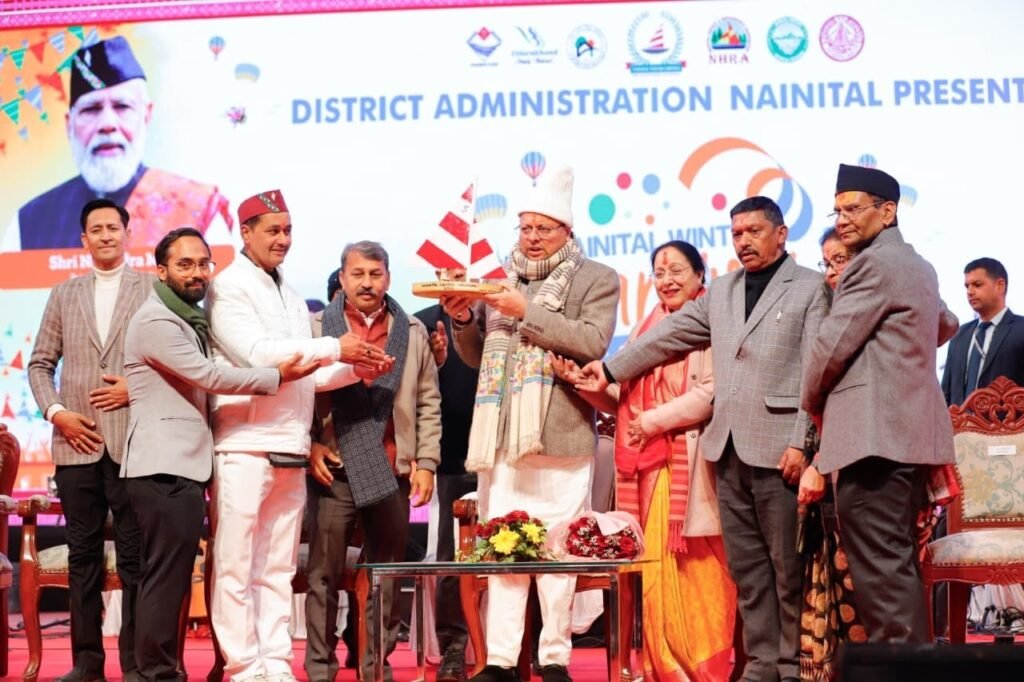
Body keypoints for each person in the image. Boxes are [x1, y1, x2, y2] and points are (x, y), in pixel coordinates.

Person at [579, 196, 828, 682]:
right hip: (726, 451)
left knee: (786, 569)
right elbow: (666, 337)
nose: (744, 241)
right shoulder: (724, 291)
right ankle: (760, 667)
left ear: (781, 234)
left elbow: (815, 374)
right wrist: (609, 369)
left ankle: (789, 668)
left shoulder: (809, 287)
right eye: (736, 234)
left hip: (779, 449)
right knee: (748, 571)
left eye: (754, 231)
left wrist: (803, 442)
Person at [443, 165, 620, 682]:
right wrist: (462, 319)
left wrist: (525, 311)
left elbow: (591, 341)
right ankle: (500, 659)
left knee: (557, 549)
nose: (533, 237)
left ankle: (555, 657)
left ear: (567, 230)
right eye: (525, 228)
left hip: (559, 430)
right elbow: (479, 355)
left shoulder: (596, 277)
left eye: (543, 228)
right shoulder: (501, 277)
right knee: (504, 543)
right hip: (501, 435)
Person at [204, 191, 390, 682]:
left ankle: (275, 661)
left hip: (290, 443)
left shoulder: (289, 291)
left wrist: (358, 369)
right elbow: (259, 356)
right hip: (243, 443)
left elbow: (304, 375)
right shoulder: (227, 288)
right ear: (245, 232)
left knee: (278, 566)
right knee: (236, 563)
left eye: (288, 230)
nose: (283, 239)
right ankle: (244, 666)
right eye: (273, 230)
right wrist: (335, 346)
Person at [120, 227, 317, 681]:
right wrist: (276, 376)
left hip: (184, 465)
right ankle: (155, 673)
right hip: (162, 465)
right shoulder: (158, 321)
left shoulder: (190, 319)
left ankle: (161, 670)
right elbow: (209, 376)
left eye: (203, 263)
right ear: (161, 270)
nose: (197, 273)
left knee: (170, 577)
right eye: (184, 264)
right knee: (164, 578)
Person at [554, 240, 736, 681]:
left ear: (700, 275)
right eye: (659, 272)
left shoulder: (713, 323)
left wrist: (653, 421)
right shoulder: (645, 329)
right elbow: (625, 404)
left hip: (696, 466)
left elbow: (710, 393)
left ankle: (703, 670)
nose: (667, 280)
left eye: (677, 271)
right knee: (654, 575)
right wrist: (587, 386)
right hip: (648, 471)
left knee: (701, 573)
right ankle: (663, 668)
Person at [800, 163, 958, 644]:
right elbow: (946, 323)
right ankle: (914, 668)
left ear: (888, 212)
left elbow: (830, 348)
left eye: (853, 209)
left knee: (883, 578)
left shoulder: (872, 264)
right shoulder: (918, 265)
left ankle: (905, 670)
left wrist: (810, 400)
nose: (843, 219)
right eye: (837, 211)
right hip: (905, 437)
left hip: (874, 437)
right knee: (895, 564)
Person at [27, 198, 153, 682]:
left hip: (134, 442)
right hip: (75, 445)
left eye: (112, 227)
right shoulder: (64, 293)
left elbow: (170, 362)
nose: (105, 235)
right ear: (83, 239)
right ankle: (86, 663)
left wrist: (133, 390)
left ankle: (135, 662)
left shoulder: (152, 289)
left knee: (135, 556)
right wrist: (57, 413)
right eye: (95, 229)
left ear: (127, 233)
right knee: (82, 556)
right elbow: (40, 364)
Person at [305, 241, 441, 682]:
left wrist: (426, 462)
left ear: (388, 278)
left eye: (375, 273)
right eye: (358, 273)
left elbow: (428, 401)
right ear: (342, 278)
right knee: (324, 575)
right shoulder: (316, 329)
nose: (367, 282)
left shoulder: (412, 331)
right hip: (334, 468)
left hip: (393, 469)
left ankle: (375, 666)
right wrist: (309, 445)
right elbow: (296, 395)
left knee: (385, 574)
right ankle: (320, 670)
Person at [3, 36, 231, 251]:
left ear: (146, 115)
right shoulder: (30, 221)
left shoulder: (197, 209)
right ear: (69, 124)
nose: (107, 124)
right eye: (91, 109)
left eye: (122, 107)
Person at [414, 267, 481, 682]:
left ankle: (516, 648)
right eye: (448, 273)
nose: (454, 280)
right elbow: (414, 391)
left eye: (462, 273)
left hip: (501, 454)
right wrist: (435, 363)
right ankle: (454, 647)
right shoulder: (419, 323)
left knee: (517, 549)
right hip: (449, 457)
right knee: (452, 557)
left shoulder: (494, 317)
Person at [941, 257, 1024, 406]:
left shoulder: (1020, 330)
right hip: (959, 421)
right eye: (967, 286)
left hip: (1009, 420)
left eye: (977, 285)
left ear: (1000, 286)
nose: (970, 292)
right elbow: (946, 394)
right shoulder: (959, 334)